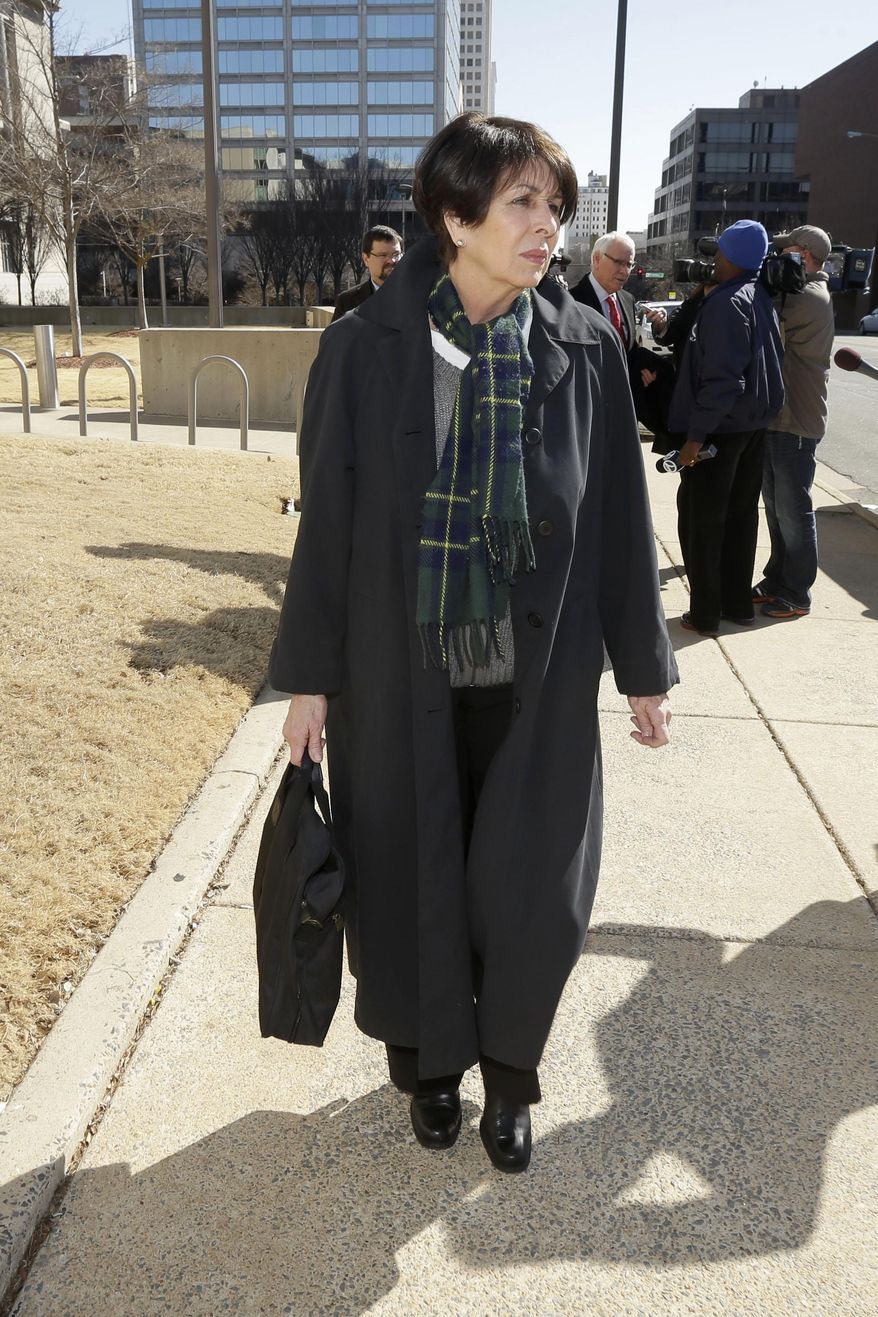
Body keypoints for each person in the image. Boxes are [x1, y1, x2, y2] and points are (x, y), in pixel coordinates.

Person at [270, 113, 678, 1175]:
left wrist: (642, 669)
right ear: (455, 218)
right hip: (397, 673)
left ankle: (508, 1076)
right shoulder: (363, 349)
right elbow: (326, 527)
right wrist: (308, 682)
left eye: (555, 206)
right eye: (522, 204)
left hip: (534, 680)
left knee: (529, 889)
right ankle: (429, 1067)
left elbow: (617, 521)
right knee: (409, 881)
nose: (548, 227)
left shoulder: (582, 347)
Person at [667, 219, 784, 637]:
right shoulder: (760, 297)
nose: (714, 259)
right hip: (752, 428)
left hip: (720, 431)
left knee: (703, 523)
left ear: (731, 257)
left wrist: (695, 437)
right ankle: (737, 604)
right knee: (739, 520)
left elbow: (722, 379)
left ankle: (705, 614)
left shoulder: (726, 303)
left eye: (719, 252)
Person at [753, 225, 835, 620]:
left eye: (788, 251)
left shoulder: (811, 296)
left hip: (797, 421)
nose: (780, 257)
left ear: (806, 255)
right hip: (779, 417)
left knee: (793, 510)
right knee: (775, 507)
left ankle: (797, 592)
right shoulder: (794, 290)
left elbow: (764, 319)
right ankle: (777, 579)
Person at [568, 231, 670, 430]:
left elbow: (627, 350)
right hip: (588, 413)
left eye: (629, 264)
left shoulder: (627, 299)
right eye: (618, 262)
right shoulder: (571, 302)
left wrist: (642, 372)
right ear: (597, 259)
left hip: (624, 410)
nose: (625, 271)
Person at [331, 225, 403, 321]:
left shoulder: (418, 297)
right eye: (383, 255)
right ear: (366, 259)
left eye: (396, 254)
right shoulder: (348, 302)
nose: (392, 260)